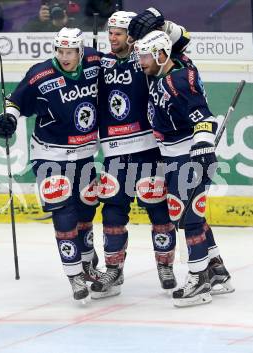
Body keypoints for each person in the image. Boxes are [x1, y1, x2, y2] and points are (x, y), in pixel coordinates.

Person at [0, 27, 102, 301]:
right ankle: (74, 273)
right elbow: (15, 102)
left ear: (80, 51)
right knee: (63, 213)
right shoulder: (40, 74)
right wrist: (7, 118)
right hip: (50, 154)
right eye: (60, 51)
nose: (64, 57)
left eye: (70, 52)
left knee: (87, 210)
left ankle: (88, 263)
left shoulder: (94, 61)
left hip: (84, 152)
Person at [91, 10, 190, 299]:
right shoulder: (100, 61)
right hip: (114, 151)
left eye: (118, 33)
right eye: (110, 33)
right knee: (112, 211)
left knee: (159, 210)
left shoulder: (144, 57)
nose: (112, 38)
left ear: (132, 37)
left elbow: (182, 40)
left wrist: (160, 20)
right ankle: (113, 269)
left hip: (147, 147)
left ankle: (165, 266)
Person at [134, 30, 234, 307]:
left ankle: (198, 279)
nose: (141, 61)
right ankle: (218, 273)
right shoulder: (160, 75)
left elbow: (203, 116)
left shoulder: (175, 80)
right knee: (194, 217)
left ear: (161, 55)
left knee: (189, 219)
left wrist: (202, 145)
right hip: (174, 156)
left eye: (145, 56)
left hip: (187, 158)